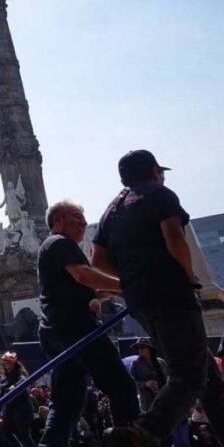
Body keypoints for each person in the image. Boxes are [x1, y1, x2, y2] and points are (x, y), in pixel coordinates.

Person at [92, 151, 224, 446]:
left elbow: (97, 259)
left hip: (140, 302)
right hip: (171, 293)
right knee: (189, 374)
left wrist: (132, 279)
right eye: (160, 172)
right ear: (154, 171)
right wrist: (189, 275)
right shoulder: (158, 194)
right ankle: (144, 431)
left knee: (207, 375)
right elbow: (174, 238)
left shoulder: (111, 211)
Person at [35, 200, 140, 447]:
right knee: (122, 387)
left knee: (67, 402)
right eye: (76, 217)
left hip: (54, 331)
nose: (83, 223)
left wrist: (118, 292)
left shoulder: (51, 248)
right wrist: (128, 285)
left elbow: (85, 291)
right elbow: (84, 275)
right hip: (77, 329)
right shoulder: (60, 243)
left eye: (83, 219)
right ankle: (127, 440)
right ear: (57, 221)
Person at [0, 352, 34, 447]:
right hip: (9, 409)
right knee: (4, 431)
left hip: (21, 408)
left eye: (9, 361)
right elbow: (2, 396)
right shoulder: (6, 378)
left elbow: (23, 380)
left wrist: (15, 386)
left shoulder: (19, 374)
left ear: (14, 363)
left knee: (23, 435)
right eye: (5, 362)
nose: (6, 363)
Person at [128, 339, 167, 413]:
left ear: (149, 349)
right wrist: (145, 384)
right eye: (138, 348)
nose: (140, 350)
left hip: (163, 398)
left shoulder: (161, 362)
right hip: (148, 401)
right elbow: (131, 382)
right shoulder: (136, 364)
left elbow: (169, 378)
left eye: (143, 347)